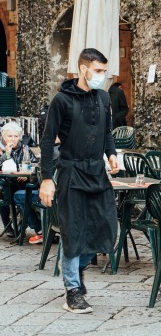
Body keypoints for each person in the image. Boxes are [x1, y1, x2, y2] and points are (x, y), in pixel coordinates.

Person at [39, 48, 120, 314]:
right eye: (98, 71)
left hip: (97, 172)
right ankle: (72, 290)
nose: (102, 76)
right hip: (71, 172)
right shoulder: (61, 100)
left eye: (104, 71)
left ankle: (77, 268)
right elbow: (48, 141)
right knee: (73, 231)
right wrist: (47, 178)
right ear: (83, 69)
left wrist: (112, 155)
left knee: (107, 228)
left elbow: (107, 132)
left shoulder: (105, 98)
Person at [0, 121, 41, 243]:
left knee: (25, 192)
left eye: (16, 136)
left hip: (22, 184)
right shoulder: (1, 150)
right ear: (4, 137)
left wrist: (27, 177)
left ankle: (22, 224)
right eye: (10, 136)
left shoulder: (25, 149)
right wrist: (7, 154)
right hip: (5, 184)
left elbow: (34, 167)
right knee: (5, 192)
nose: (13, 139)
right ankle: (8, 224)